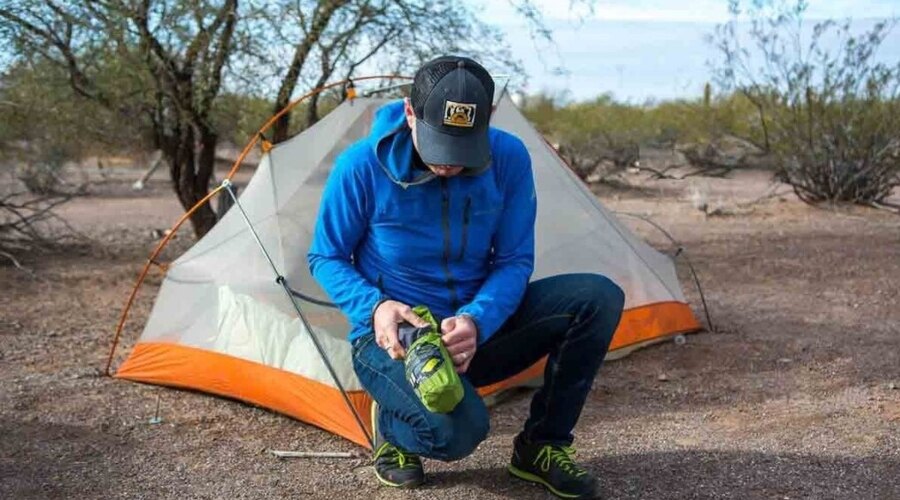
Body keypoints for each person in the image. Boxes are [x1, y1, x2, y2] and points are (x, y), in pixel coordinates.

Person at [308, 55, 624, 499]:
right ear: (410, 113)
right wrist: (375, 307)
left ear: (487, 120)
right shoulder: (360, 166)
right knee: (459, 435)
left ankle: (541, 445)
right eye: (439, 147)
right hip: (397, 341)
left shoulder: (509, 157)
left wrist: (477, 319)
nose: (449, 166)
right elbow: (325, 256)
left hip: (475, 331)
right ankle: (395, 427)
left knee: (597, 297)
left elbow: (514, 259)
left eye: (463, 149)